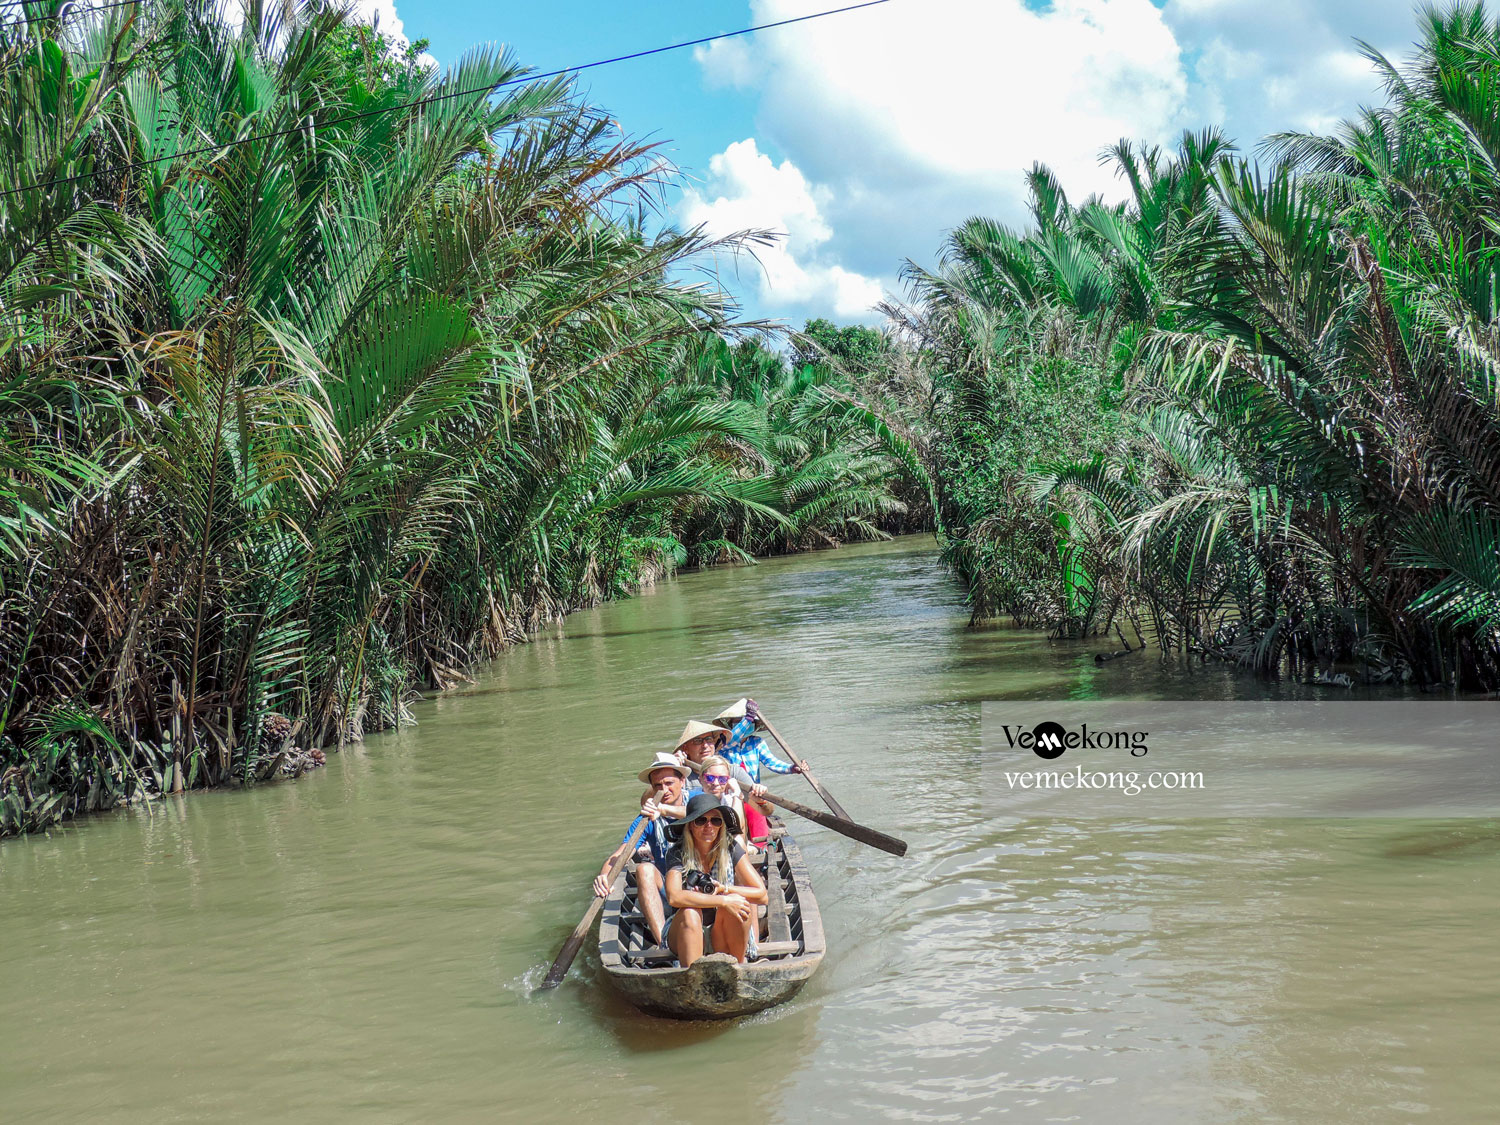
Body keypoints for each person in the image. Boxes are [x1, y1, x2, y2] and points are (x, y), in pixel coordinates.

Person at [594, 754, 689, 946]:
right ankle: (664, 942)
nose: (664, 790)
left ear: (682, 781)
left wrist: (663, 810)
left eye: (669, 783)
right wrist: (605, 876)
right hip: (669, 889)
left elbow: (704, 810)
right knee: (644, 869)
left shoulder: (697, 800)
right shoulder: (646, 819)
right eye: (658, 786)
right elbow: (622, 853)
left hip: (704, 884)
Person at [664, 792, 768, 967]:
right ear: (690, 825)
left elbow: (762, 895)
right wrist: (722, 900)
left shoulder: (731, 848)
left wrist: (725, 890)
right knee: (690, 912)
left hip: (722, 931)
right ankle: (693, 977)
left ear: (721, 825)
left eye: (716, 820)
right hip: (687, 931)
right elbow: (674, 897)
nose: (709, 826)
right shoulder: (677, 853)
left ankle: (736, 968)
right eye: (701, 821)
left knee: (739, 906)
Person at [716, 698, 805, 786]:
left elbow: (772, 763)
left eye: (750, 723)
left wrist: (791, 768)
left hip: (752, 790)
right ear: (731, 725)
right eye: (738, 721)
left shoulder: (757, 742)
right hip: (728, 789)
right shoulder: (722, 742)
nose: (745, 725)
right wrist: (748, 718)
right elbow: (733, 739)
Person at [698, 754, 772, 855]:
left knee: (738, 840)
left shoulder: (730, 798)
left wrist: (761, 799)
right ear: (701, 779)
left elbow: (767, 811)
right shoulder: (695, 799)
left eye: (722, 779)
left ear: (728, 780)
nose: (716, 783)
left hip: (734, 850)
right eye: (710, 778)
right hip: (706, 851)